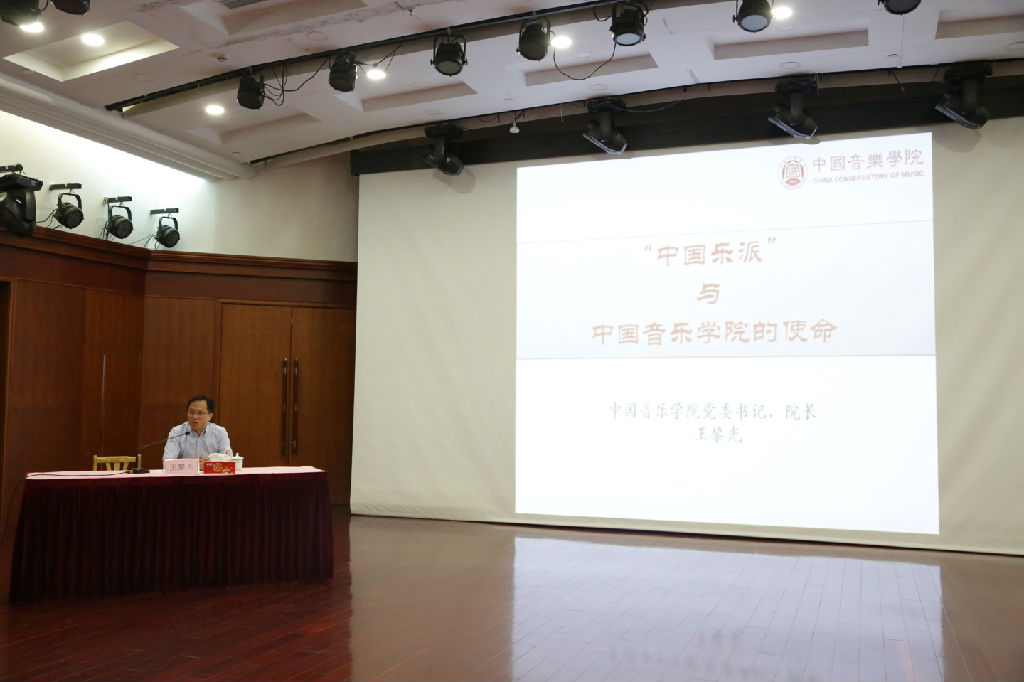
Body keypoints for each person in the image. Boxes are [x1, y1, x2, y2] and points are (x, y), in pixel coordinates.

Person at [163, 394, 232, 460]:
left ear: (209, 416)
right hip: (185, 469)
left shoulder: (220, 432)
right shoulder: (177, 432)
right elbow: (168, 460)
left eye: (200, 413)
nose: (194, 417)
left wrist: (208, 463)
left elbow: (227, 460)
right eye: (191, 412)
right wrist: (195, 464)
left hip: (209, 468)